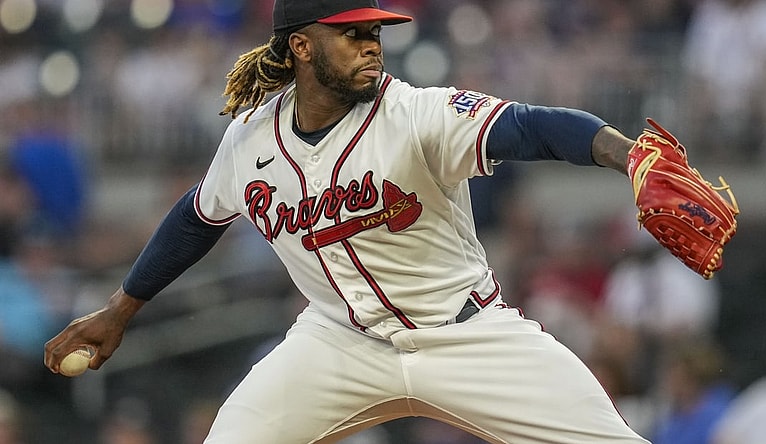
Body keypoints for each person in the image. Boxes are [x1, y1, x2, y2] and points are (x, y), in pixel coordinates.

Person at [44, 1, 658, 442]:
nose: (372, 44)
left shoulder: (417, 113)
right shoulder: (252, 139)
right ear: (303, 47)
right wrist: (119, 309)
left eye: (374, 32)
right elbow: (196, 217)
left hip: (466, 334)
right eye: (352, 33)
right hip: (336, 343)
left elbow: (531, 126)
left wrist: (627, 154)